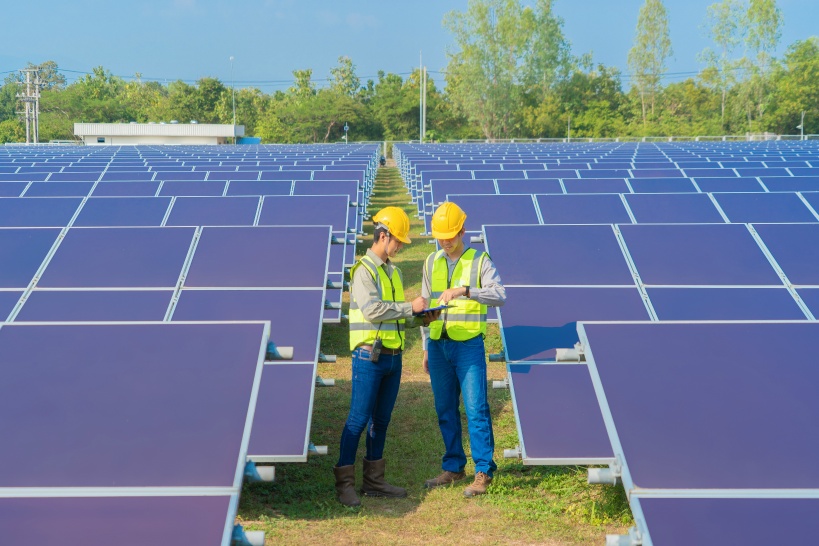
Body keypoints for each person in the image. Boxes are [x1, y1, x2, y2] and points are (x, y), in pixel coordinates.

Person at [334, 206, 440, 507]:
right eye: (398, 241)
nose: (400, 247)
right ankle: (344, 485)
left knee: (381, 420)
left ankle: (374, 481)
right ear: (384, 236)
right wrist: (411, 308)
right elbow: (372, 310)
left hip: (393, 357)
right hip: (369, 358)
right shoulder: (363, 272)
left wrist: (422, 318)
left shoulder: (392, 271)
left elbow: (394, 315)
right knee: (358, 419)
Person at [421, 201, 506, 498]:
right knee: (445, 409)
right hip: (438, 344)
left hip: (468, 345)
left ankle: (483, 470)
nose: (445, 241)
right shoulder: (431, 262)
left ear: (462, 231)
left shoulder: (480, 260)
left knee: (476, 409)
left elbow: (499, 295)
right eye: (441, 236)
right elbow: (425, 303)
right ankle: (454, 466)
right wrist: (425, 345)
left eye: (450, 235)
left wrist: (466, 291)